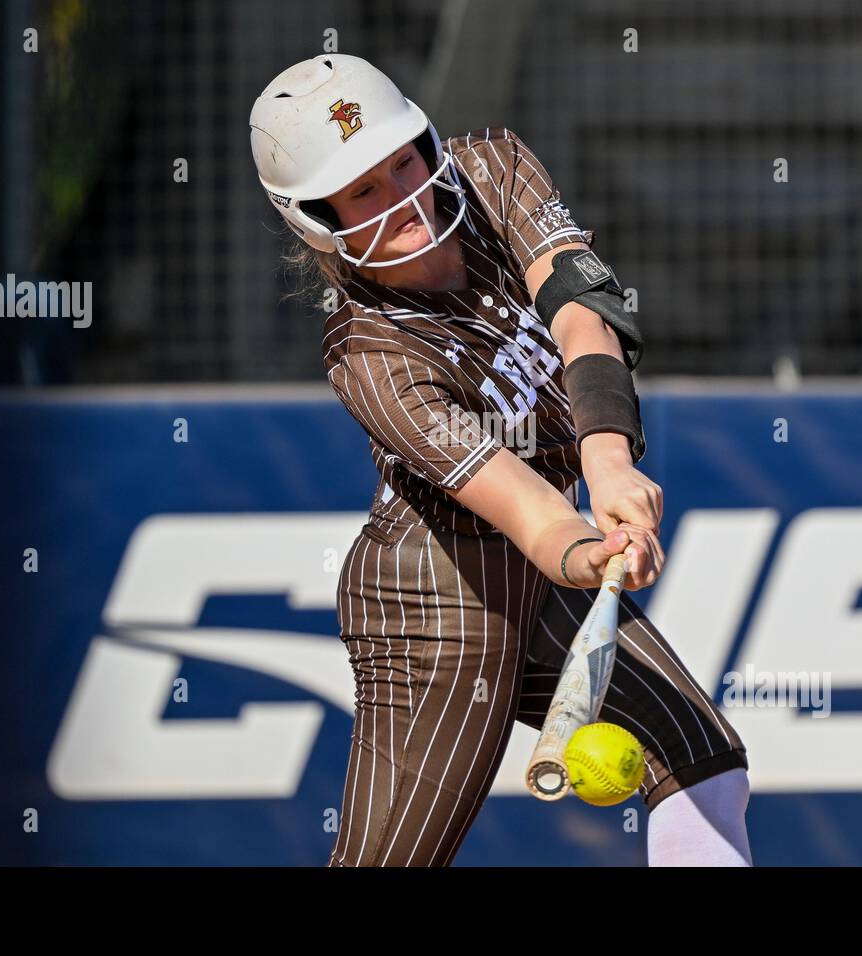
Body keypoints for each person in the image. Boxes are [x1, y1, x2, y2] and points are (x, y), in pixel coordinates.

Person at [249, 53, 751, 867]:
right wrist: (590, 551)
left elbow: (584, 313)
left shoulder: (490, 167)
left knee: (704, 762)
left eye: (402, 162)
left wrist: (610, 465)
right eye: (363, 191)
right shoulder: (369, 355)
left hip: (543, 579)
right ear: (316, 219)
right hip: (439, 608)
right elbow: (524, 507)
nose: (404, 196)